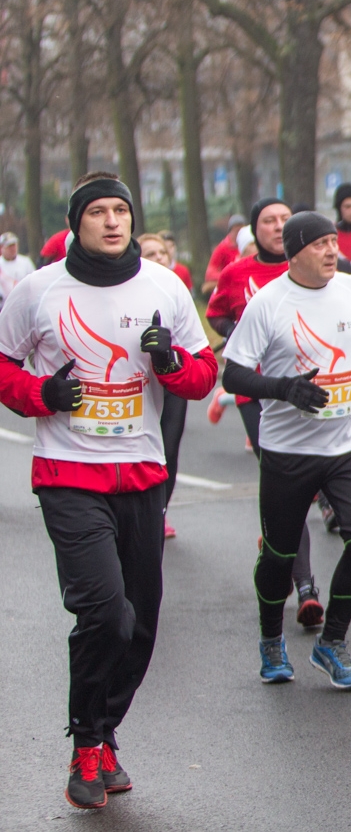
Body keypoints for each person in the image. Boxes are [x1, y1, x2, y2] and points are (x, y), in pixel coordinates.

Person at [0, 172, 216, 810]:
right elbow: (5, 366)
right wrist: (42, 394)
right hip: (68, 474)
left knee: (141, 624)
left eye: (121, 210)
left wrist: (171, 363)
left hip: (141, 474)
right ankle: (86, 742)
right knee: (104, 612)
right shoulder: (39, 291)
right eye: (98, 211)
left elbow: (203, 376)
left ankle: (103, 733)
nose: (113, 221)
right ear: (78, 223)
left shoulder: (165, 287)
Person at [221, 212, 351, 688]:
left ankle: (331, 642)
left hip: (345, 446)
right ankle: (271, 638)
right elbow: (232, 374)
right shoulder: (268, 303)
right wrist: (283, 389)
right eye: (319, 244)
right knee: (279, 553)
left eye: (334, 241)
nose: (332, 250)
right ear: (294, 253)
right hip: (287, 451)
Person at [208, 197, 325, 625]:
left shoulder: (319, 267)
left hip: (314, 389)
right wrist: (239, 330)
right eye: (268, 221)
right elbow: (216, 313)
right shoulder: (238, 273)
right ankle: (306, 585)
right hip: (255, 392)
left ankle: (280, 536)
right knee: (290, 486)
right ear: (254, 230)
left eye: (284, 219)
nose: (277, 227)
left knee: (309, 484)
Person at [137, 235, 188, 540]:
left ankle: (160, 513)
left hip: (173, 379)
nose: (158, 257)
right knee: (144, 448)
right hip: (141, 382)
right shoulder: (130, 291)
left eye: (162, 252)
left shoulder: (176, 290)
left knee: (169, 450)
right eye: (150, 253)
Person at [204, 214, 248, 293]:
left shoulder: (250, 246)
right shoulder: (222, 248)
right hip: (230, 286)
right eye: (236, 230)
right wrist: (228, 276)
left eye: (241, 230)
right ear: (230, 231)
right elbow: (210, 272)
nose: (239, 233)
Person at [0, 230, 36, 300]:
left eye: (14, 245)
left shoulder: (25, 262)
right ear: (2, 248)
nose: (13, 248)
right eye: (9, 246)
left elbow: (33, 281)